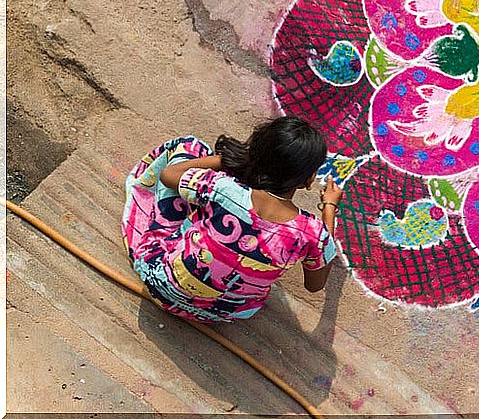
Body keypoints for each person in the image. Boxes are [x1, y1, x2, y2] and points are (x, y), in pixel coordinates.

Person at [121, 116, 343, 322]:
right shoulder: (313, 233)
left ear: (256, 153)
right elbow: (315, 285)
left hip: (162, 285)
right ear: (308, 179)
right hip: (227, 313)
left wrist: (230, 161)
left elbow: (168, 176)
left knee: (190, 147)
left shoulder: (222, 187)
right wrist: (329, 207)